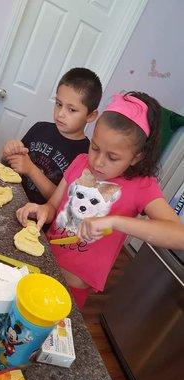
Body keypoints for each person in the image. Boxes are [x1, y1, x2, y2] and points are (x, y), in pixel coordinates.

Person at [16, 92, 184, 309]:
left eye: (112, 157)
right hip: (41, 262)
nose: (97, 162)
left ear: (136, 157)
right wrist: (42, 210)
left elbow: (179, 236)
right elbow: (53, 205)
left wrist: (114, 222)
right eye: (95, 147)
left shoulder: (142, 185)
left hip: (70, 288)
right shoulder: (80, 162)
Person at [2, 68, 102, 204]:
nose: (60, 113)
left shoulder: (85, 155)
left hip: (36, 219)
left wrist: (31, 170)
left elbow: (63, 203)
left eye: (71, 110)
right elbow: (7, 165)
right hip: (8, 198)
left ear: (91, 116)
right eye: (58, 104)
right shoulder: (39, 128)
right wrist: (9, 153)